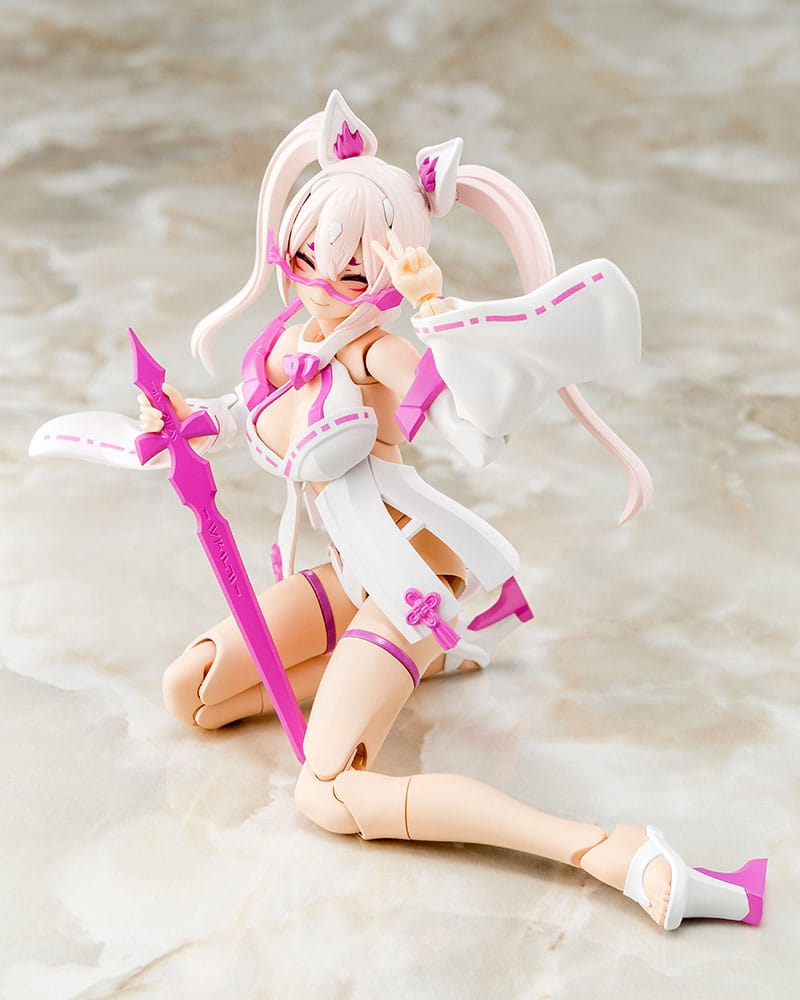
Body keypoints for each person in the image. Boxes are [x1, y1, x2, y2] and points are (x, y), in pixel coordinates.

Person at [43, 91, 769, 931]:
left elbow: (473, 435)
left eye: (352, 273)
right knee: (194, 695)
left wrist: (436, 315)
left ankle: (614, 852)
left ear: (389, 273)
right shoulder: (286, 339)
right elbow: (244, 416)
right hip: (348, 570)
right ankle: (428, 662)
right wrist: (178, 418)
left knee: (329, 794)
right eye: (306, 257)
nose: (321, 284)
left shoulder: (381, 353)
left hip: (409, 578)